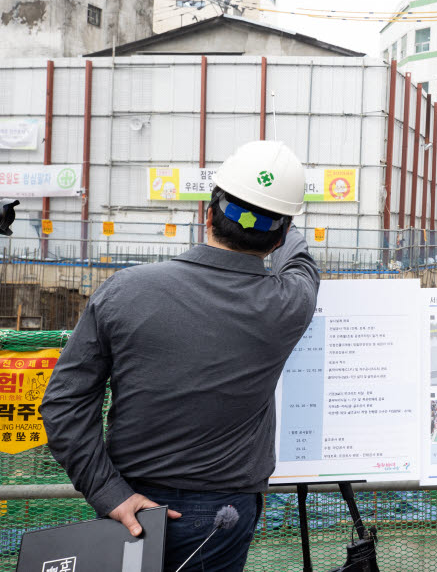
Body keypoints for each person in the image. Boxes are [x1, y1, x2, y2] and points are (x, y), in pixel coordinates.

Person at [41, 141, 320, 571]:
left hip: (130, 505)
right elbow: (300, 263)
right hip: (222, 516)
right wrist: (276, 207)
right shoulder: (287, 303)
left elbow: (63, 403)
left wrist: (110, 493)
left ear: (206, 214)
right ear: (281, 232)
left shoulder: (125, 290)